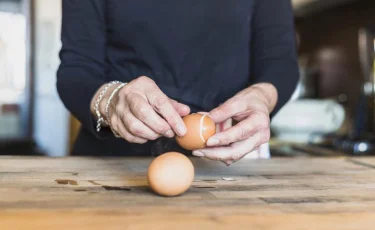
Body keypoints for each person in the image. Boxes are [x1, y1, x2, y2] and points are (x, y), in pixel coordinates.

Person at [56, 0, 299, 165]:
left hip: (230, 164)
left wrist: (262, 96)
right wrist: (111, 100)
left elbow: (279, 61)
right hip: (114, 164)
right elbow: (76, 71)